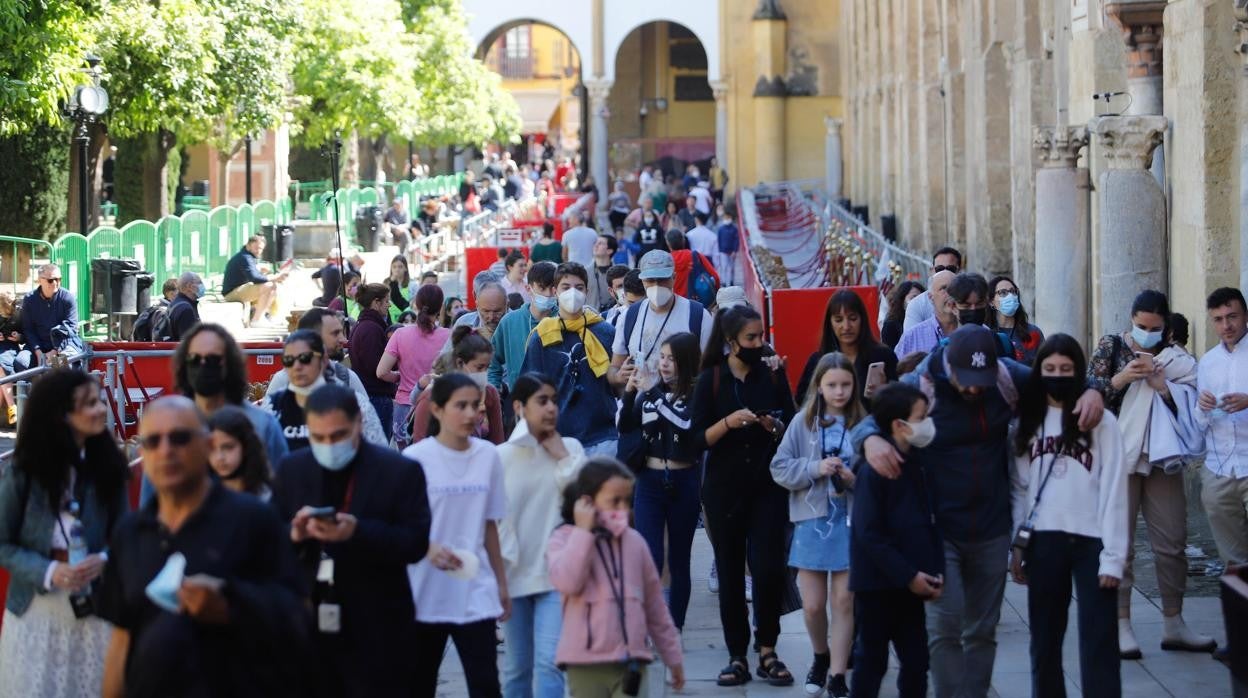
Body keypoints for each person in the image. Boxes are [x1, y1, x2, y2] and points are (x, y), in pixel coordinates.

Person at [854, 325, 1105, 698]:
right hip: (939, 531)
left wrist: (1092, 391)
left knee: (982, 631)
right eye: (966, 380)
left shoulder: (1005, 377)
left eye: (981, 381)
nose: (974, 389)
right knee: (944, 629)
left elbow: (1057, 377)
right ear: (947, 364)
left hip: (992, 527)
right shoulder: (921, 381)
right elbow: (870, 422)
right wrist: (871, 440)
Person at [97, 397, 310, 698]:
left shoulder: (254, 519)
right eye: (153, 441)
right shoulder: (130, 534)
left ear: (207, 445)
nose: (166, 451)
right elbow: (122, 638)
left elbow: (297, 615)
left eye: (180, 438)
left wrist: (229, 607)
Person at [274, 384, 431, 696]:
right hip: (310, 622)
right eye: (319, 438)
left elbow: (416, 543)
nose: (329, 445)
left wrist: (357, 532)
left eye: (338, 436)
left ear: (358, 422)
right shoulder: (292, 469)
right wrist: (294, 534)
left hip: (380, 626)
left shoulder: (400, 471)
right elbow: (268, 538)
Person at [1086, 289, 1214, 657]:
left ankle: (1174, 622)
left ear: (1166, 328)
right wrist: (1123, 378)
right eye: (1141, 326)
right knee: (1119, 543)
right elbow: (1089, 395)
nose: (1147, 334)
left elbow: (1195, 402)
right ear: (1131, 319)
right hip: (1119, 458)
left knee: (1172, 541)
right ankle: (1122, 624)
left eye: (1154, 328)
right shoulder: (1111, 347)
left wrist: (1165, 389)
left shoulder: (1177, 359)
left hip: (1162, 457)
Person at [1010, 334, 1127, 698]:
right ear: (1038, 371)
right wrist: (1016, 546)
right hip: (1044, 540)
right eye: (1049, 369)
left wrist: (1114, 558)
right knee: (1044, 642)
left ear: (1078, 372)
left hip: (1092, 541)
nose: (1057, 375)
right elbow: (1018, 490)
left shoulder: (1101, 421)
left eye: (1065, 369)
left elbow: (1114, 490)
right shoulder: (1025, 422)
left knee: (1100, 641)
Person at [0, 370, 128, 696]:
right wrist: (50, 571)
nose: (101, 409)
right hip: (35, 614)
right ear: (61, 414)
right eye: (89, 404)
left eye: (99, 401)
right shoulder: (23, 470)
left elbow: (127, 537)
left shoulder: (109, 467)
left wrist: (104, 560)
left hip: (96, 615)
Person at [691, 305, 797, 687]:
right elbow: (696, 438)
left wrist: (774, 425)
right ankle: (738, 653)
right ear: (731, 340)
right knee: (732, 573)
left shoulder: (771, 373)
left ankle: (768, 648)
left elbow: (791, 419)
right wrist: (729, 422)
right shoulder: (712, 379)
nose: (759, 344)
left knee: (769, 569)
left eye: (760, 336)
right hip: (724, 489)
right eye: (751, 338)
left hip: (767, 485)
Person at [403, 374, 509, 698]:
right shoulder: (415, 459)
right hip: (425, 590)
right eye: (460, 406)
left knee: (486, 684)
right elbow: (402, 524)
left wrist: (502, 583)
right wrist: (428, 547)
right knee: (419, 684)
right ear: (436, 410)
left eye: (475, 406)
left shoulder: (488, 456)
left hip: (474, 589)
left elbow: (489, 523)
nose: (470, 414)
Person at [546, 458, 686, 694]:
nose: (623, 509)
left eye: (627, 501)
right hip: (585, 665)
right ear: (586, 502)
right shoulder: (564, 539)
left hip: (631, 663)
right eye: (614, 502)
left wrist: (673, 656)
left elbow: (655, 607)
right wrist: (583, 533)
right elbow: (568, 581)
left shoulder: (635, 543)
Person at [771, 353, 864, 698]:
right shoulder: (803, 422)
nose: (839, 392)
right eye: (832, 385)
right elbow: (779, 467)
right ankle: (821, 656)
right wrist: (814, 468)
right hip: (811, 520)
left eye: (845, 384)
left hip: (850, 521)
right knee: (812, 605)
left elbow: (876, 479)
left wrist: (853, 478)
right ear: (819, 387)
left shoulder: (862, 424)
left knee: (843, 601)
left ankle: (838, 673)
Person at [850, 383, 944, 698]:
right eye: (921, 417)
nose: (927, 422)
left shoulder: (920, 461)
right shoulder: (873, 470)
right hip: (877, 585)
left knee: (917, 661)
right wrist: (909, 575)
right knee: (871, 661)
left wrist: (934, 569)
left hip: (913, 583)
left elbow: (930, 520)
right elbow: (868, 533)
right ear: (899, 425)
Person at [497, 373, 586, 698]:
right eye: (541, 401)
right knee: (517, 670)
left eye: (554, 400)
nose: (550, 408)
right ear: (519, 407)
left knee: (551, 664)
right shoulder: (501, 457)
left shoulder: (572, 449)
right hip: (514, 577)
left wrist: (563, 456)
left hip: (556, 578)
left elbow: (584, 506)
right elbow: (496, 524)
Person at [618, 332, 703, 632]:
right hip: (649, 481)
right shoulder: (650, 394)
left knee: (679, 560)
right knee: (650, 557)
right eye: (662, 357)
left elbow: (684, 424)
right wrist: (630, 392)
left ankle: (673, 628)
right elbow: (625, 425)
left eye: (672, 358)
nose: (664, 364)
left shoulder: (696, 394)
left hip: (684, 480)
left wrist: (651, 392)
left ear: (687, 361)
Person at [521, 262, 619, 457]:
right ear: (555, 291)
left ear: (586, 291)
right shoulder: (542, 336)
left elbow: (617, 386)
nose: (572, 293)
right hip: (557, 439)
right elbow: (529, 390)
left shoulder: (606, 332)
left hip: (603, 438)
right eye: (566, 287)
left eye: (579, 287)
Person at [171, 323, 288, 475]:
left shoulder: (263, 426)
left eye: (212, 359)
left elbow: (283, 489)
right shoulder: (170, 428)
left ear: (231, 363)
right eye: (194, 358)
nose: (203, 365)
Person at [260, 330, 387, 452]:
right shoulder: (273, 406)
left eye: (305, 358)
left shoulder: (354, 402)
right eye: (288, 360)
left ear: (324, 360)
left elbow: (379, 454)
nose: (297, 366)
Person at [610, 250, 713, 392]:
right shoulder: (629, 316)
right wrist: (618, 377)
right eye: (650, 280)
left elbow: (712, 370)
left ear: (674, 278)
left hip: (682, 408)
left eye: (662, 279)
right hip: (639, 407)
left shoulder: (698, 316)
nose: (656, 285)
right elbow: (614, 367)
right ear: (642, 281)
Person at [1196, 288, 1248, 569]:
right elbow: (1199, 423)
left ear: (1246, 316)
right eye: (1218, 319)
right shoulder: (1207, 363)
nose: (1226, 326)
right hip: (1220, 470)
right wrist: (1202, 407)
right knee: (1234, 563)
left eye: (1232, 317)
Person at [377, 284, 451, 448]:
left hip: (404, 407)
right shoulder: (449, 336)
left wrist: (400, 376)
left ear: (416, 304)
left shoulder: (400, 334)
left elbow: (381, 372)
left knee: (406, 463)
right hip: (438, 406)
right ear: (440, 306)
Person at [796, 290, 898, 407]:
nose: (846, 326)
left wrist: (884, 391)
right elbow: (802, 399)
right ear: (830, 323)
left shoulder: (884, 356)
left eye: (853, 318)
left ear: (862, 320)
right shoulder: (818, 360)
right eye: (838, 320)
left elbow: (900, 401)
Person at [410, 326, 505, 445]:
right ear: (460, 363)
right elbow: (420, 446)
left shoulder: (490, 393)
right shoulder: (432, 396)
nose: (484, 373)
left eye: (487, 367)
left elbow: (497, 441)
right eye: (479, 367)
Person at [266, 308, 367, 399]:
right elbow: (267, 418)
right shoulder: (283, 380)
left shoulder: (347, 377)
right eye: (335, 333)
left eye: (341, 332)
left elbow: (367, 417)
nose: (343, 340)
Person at [490, 261, 558, 394]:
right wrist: (494, 390)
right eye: (542, 288)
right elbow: (493, 360)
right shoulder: (510, 322)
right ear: (528, 289)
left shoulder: (564, 320)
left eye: (553, 288)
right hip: (521, 402)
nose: (549, 294)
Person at [347, 284, 397, 441]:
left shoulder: (362, 325)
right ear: (376, 302)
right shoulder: (372, 329)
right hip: (377, 397)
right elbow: (376, 367)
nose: (389, 305)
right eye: (386, 301)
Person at [20, 263, 83, 369]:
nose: (55, 283)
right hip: (38, 345)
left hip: (63, 345)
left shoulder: (68, 298)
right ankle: (33, 385)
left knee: (58, 366)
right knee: (21, 362)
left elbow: (70, 328)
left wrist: (54, 351)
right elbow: (28, 329)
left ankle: (56, 384)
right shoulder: (29, 299)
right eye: (51, 280)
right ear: (40, 280)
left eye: (58, 279)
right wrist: (38, 351)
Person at [222, 234, 289, 327]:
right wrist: (275, 277)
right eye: (256, 247)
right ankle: (256, 320)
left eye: (261, 248)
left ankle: (268, 316)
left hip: (238, 290)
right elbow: (255, 278)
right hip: (231, 293)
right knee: (268, 285)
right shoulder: (245, 257)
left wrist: (263, 273)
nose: (259, 251)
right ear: (248, 246)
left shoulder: (248, 256)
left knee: (273, 286)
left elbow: (254, 276)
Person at [207, 406, 272, 500]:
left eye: (228, 447)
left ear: (246, 446)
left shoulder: (267, 496)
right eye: (212, 449)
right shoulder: (200, 497)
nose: (219, 457)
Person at [894, 269, 956, 360]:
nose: (951, 293)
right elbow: (897, 371)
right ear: (930, 297)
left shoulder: (978, 331)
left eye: (955, 288)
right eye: (943, 289)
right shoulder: (912, 337)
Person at [986, 276, 1044, 363]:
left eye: (1013, 291)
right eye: (1003, 292)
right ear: (991, 302)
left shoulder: (1033, 333)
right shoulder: (985, 333)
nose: (1010, 296)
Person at [902, 247, 962, 332]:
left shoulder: (971, 302)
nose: (944, 273)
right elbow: (911, 340)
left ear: (959, 271)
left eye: (951, 269)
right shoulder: (917, 305)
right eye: (939, 269)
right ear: (932, 271)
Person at [665, 229, 721, 306]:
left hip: (673, 304)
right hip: (694, 303)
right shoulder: (695, 255)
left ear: (668, 243)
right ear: (683, 241)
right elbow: (715, 277)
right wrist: (716, 296)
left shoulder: (665, 260)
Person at [881, 281, 925, 351]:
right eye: (913, 297)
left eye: (921, 298)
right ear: (902, 300)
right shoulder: (891, 325)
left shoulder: (929, 320)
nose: (918, 301)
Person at [164, 272, 204, 342]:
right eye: (199, 283)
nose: (202, 286)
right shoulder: (186, 309)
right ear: (189, 286)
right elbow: (188, 344)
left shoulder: (176, 303)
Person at [586, 235, 617, 313]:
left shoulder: (619, 273)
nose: (596, 245)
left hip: (613, 317)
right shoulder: (584, 272)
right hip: (591, 318)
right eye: (596, 242)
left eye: (601, 243)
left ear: (609, 251)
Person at [384, 255, 413, 324]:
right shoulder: (386, 283)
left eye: (400, 267)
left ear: (405, 268)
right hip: (389, 319)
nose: (397, 269)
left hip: (405, 319)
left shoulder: (412, 284)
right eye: (394, 267)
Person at [715, 207, 740, 287]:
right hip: (723, 252)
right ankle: (724, 282)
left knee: (731, 268)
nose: (726, 219)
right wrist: (719, 251)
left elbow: (736, 240)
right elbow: (718, 240)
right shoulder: (721, 229)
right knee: (724, 268)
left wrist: (735, 251)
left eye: (728, 217)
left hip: (732, 252)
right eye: (725, 217)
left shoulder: (734, 229)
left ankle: (732, 281)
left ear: (731, 218)